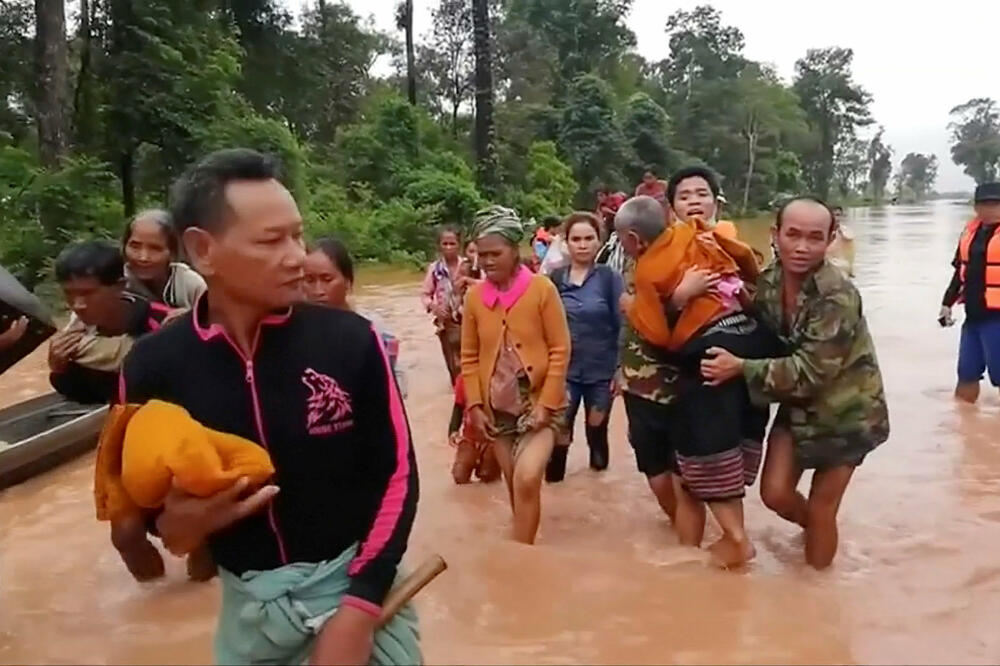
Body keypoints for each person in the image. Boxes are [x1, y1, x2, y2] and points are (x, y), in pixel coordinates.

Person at [118, 149, 420, 665]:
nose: (298, 256)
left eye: (297, 235)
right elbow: (136, 500)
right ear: (203, 251)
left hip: (357, 597)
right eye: (271, 240)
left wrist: (360, 609)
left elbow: (398, 476)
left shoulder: (352, 341)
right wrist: (176, 525)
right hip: (253, 621)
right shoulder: (152, 366)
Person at [702, 197, 889, 570]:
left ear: (830, 240)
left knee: (822, 507)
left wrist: (741, 367)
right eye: (793, 235)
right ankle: (819, 531)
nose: (802, 247)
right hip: (800, 405)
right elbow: (767, 324)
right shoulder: (770, 281)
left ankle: (817, 590)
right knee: (774, 493)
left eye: (815, 238)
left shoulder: (837, 294)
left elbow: (811, 372)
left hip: (848, 413)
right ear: (776, 235)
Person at [621, 193, 778, 568]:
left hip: (706, 359)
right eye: (685, 196)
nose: (694, 203)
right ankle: (706, 553)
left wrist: (652, 308)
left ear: (632, 239)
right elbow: (747, 264)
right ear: (671, 211)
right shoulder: (705, 233)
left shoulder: (645, 270)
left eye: (701, 194)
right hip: (752, 344)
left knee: (702, 453)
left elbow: (657, 337)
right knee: (709, 460)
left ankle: (736, 540)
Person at [461, 205, 570, 544]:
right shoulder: (475, 297)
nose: (487, 261)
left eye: (496, 253)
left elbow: (560, 349)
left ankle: (521, 555)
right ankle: (522, 554)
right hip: (498, 410)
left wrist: (546, 403)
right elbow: (469, 356)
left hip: (539, 403)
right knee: (513, 485)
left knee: (526, 478)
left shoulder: (542, 290)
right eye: (482, 254)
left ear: (515, 249)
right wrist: (475, 405)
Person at [546, 212, 623, 481]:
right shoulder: (554, 279)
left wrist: (620, 370)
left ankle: (598, 482)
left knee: (597, 428)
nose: (582, 244)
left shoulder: (609, 278)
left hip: (601, 370)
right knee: (560, 430)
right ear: (565, 242)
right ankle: (555, 487)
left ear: (599, 241)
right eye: (575, 239)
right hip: (564, 370)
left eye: (588, 238)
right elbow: (544, 326)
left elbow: (622, 324)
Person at [48, 240, 167, 405]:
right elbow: (92, 396)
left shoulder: (165, 326)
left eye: (88, 293)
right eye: (69, 293)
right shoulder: (78, 339)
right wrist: (60, 371)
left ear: (120, 286)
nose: (78, 305)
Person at [303, 237, 407, 396]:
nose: (318, 291)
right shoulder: (297, 335)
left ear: (348, 281)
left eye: (327, 279)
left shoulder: (374, 331)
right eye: (309, 280)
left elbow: (393, 386)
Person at [939, 182, 1000, 403]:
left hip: (997, 319)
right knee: (966, 374)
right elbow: (959, 273)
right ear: (975, 207)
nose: (990, 209)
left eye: (995, 204)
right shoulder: (969, 234)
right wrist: (947, 304)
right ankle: (963, 428)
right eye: (985, 204)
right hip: (973, 317)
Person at [122, 208, 206, 309]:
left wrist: (187, 317)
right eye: (135, 246)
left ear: (173, 252)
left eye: (155, 248)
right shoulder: (116, 282)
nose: (143, 257)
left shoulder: (189, 284)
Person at [421, 225, 463, 383]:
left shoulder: (468, 266)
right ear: (439, 246)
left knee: (470, 361)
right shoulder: (435, 269)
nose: (448, 247)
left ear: (459, 245)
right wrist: (434, 307)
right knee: (452, 363)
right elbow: (425, 295)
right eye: (445, 244)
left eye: (452, 243)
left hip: (467, 319)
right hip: (445, 322)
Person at [825, 205, 856, 276]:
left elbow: (849, 237)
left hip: (842, 270)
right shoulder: (823, 232)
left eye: (838, 215)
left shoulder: (846, 231)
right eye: (834, 215)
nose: (836, 218)